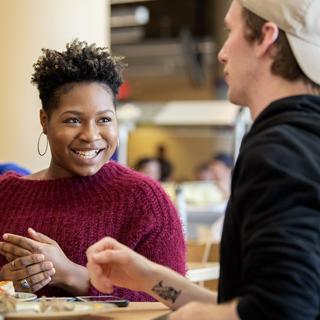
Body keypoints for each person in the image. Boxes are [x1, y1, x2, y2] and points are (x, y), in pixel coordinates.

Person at [86, 0, 320, 319]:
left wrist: (184, 317)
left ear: (266, 37)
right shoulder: (303, 140)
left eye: (230, 31)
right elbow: (247, 305)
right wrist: (149, 277)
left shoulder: (279, 150)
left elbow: (282, 310)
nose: (222, 52)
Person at [0, 40, 186, 300]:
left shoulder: (144, 200)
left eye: (104, 120)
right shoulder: (6, 195)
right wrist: (6, 286)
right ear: (45, 121)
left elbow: (174, 298)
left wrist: (72, 275)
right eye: (73, 120)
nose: (90, 135)